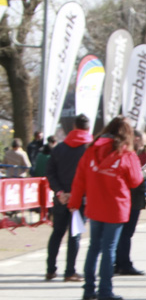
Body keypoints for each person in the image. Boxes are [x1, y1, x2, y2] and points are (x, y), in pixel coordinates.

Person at [67, 117, 143, 300]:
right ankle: (105, 290)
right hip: (116, 207)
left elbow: (79, 179)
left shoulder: (91, 150)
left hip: (94, 205)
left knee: (94, 247)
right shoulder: (126, 153)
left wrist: (74, 204)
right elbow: (135, 180)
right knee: (109, 249)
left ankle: (89, 288)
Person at [44, 115, 93, 282]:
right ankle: (70, 271)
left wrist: (59, 192)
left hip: (61, 198)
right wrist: (77, 193)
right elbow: (91, 175)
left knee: (57, 232)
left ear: (73, 126)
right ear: (88, 128)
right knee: (75, 235)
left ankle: (50, 269)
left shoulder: (59, 148)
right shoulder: (90, 149)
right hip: (80, 198)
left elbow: (50, 172)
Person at [114, 131, 146, 277]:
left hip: (131, 197)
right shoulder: (129, 154)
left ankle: (119, 262)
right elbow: (133, 177)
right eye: (142, 141)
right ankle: (123, 263)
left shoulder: (127, 153)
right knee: (126, 233)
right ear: (136, 139)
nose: (143, 145)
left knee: (123, 233)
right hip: (131, 197)